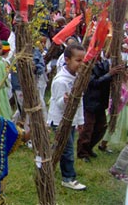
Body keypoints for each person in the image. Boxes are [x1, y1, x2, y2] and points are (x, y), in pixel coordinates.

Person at [48, 43, 87, 190]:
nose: (81, 64)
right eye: (78, 60)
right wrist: (64, 100)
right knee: (68, 149)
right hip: (60, 120)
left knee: (61, 147)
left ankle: (47, 164)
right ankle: (68, 177)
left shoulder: (77, 78)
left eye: (83, 60)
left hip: (70, 121)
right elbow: (58, 104)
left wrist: (80, 120)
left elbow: (79, 101)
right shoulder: (61, 81)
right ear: (67, 59)